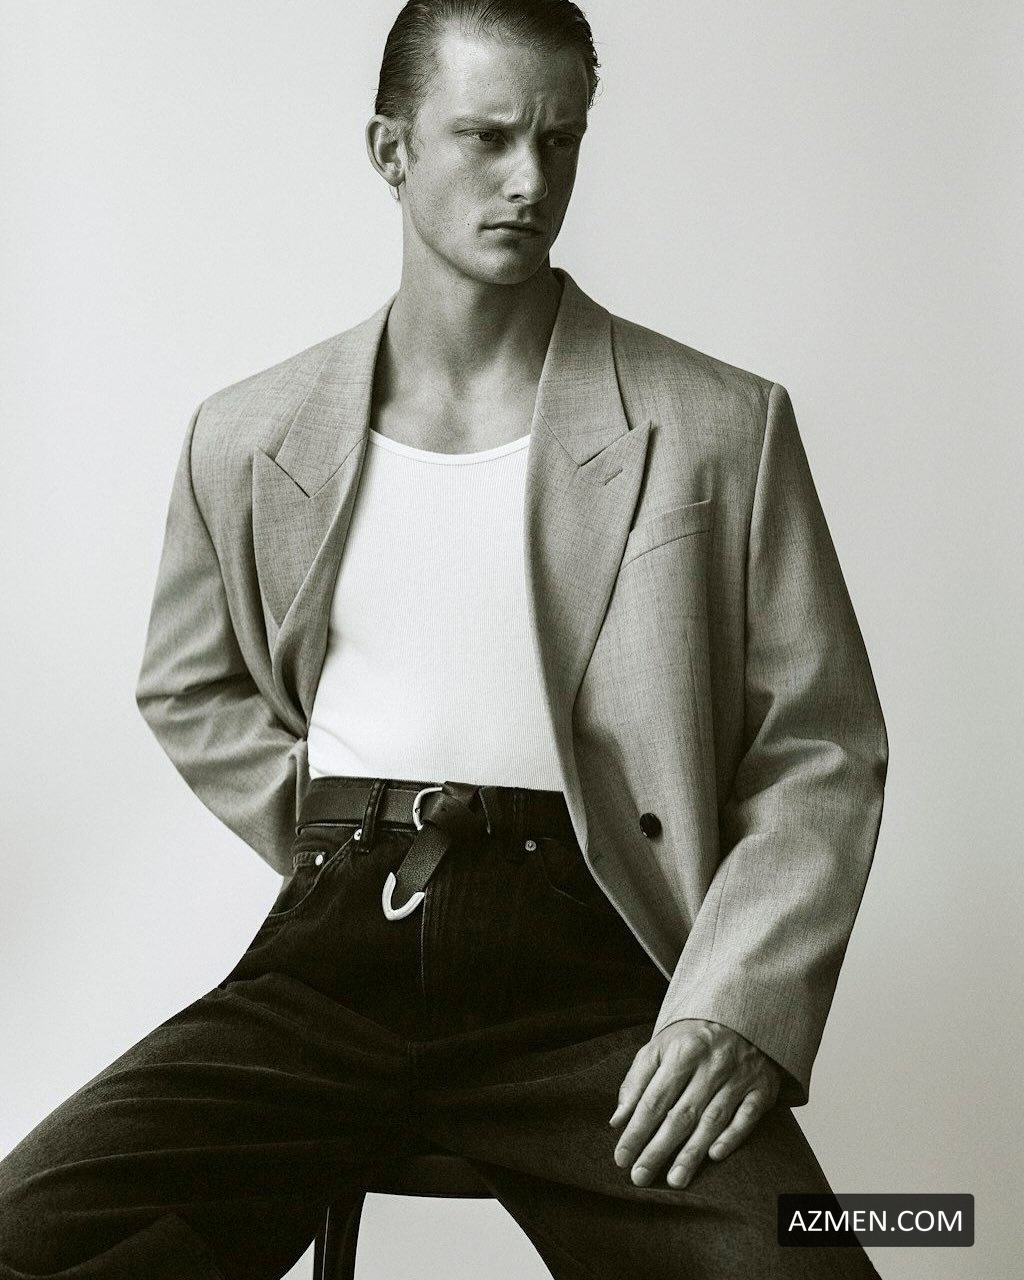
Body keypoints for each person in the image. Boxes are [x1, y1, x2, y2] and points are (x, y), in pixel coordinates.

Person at [0, 2, 888, 1276]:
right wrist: (322, 830)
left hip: (593, 977)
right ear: (391, 148)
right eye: (486, 137)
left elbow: (819, 747)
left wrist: (736, 1006)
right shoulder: (247, 433)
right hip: (328, 966)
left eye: (559, 141)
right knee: (27, 1236)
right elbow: (188, 682)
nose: (531, 181)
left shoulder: (718, 423)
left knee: (800, 1262)